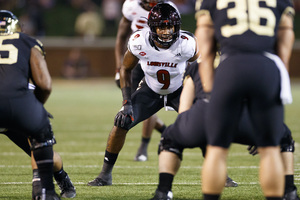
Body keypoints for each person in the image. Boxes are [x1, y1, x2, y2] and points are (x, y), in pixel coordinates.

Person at [150, 62, 299, 200]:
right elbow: (265, 101)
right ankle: (289, 192)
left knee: (170, 138)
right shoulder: (256, 63)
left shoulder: (199, 65)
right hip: (245, 117)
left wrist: (191, 128)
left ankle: (164, 191)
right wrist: (263, 134)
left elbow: (184, 110)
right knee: (284, 138)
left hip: (206, 115)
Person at [87, 3, 199, 186]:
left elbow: (199, 67)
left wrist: (196, 92)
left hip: (179, 91)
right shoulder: (139, 41)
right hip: (151, 91)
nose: (166, 31)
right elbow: (125, 69)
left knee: (205, 125)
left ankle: (222, 174)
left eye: (169, 26)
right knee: (121, 123)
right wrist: (126, 102)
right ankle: (105, 175)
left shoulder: (187, 44)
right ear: (152, 28)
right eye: (161, 27)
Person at [196, 0, 295, 199]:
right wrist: (277, 73)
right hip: (266, 67)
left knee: (216, 148)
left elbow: (205, 48)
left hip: (230, 67)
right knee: (270, 149)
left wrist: (209, 89)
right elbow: (285, 39)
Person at [0, 10, 60, 199]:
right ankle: (44, 192)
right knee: (41, 134)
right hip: (18, 103)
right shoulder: (27, 41)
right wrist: (37, 107)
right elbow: (45, 85)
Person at [114, 0, 177, 162]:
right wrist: (117, 68)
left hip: (157, 59)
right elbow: (121, 37)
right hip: (137, 59)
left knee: (149, 102)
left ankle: (143, 146)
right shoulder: (131, 6)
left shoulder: (168, 9)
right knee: (133, 108)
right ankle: (165, 131)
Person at [0, 111, 76, 199]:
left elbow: (36, 150)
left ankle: (61, 177)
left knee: (45, 155)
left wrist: (37, 182)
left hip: (15, 118)